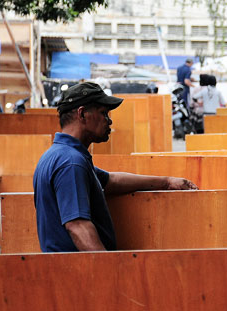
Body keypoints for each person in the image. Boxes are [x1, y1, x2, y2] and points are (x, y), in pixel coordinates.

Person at [33, 82, 198, 252]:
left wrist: (167, 182)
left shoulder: (58, 155)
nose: (109, 120)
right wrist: (109, 270)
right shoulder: (71, 163)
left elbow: (111, 180)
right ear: (82, 114)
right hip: (78, 273)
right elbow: (77, 226)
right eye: (103, 113)